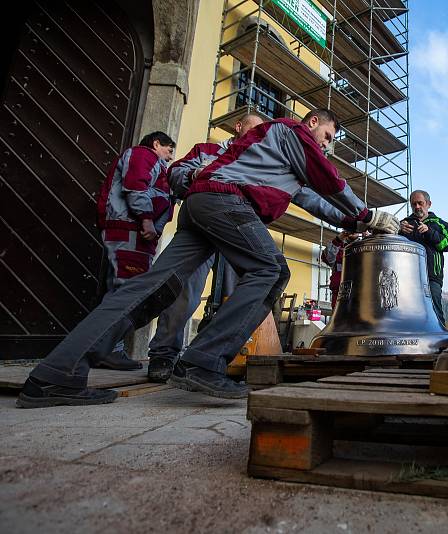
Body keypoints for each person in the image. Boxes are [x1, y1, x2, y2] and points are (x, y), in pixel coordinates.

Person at [17, 108, 400, 408]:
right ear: (313, 122)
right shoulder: (290, 132)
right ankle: (203, 361)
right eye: (328, 136)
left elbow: (314, 199)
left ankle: (56, 373)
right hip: (223, 202)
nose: (327, 145)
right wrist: (368, 214)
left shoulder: (281, 163)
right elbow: (328, 178)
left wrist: (355, 222)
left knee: (153, 287)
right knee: (269, 269)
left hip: (206, 207)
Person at [146, 113, 264, 382]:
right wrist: (194, 173)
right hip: (202, 229)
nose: (258, 134)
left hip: (237, 232)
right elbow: (173, 174)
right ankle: (164, 352)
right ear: (238, 127)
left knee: (235, 296)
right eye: (253, 128)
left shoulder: (258, 164)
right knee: (184, 292)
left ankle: (213, 359)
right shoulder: (206, 150)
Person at [93, 131, 175, 370]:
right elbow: (135, 185)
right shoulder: (143, 154)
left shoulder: (155, 164)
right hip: (131, 229)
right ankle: (107, 349)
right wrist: (147, 219)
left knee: (124, 287)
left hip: (136, 232)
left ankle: (105, 348)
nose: (170, 158)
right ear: (156, 143)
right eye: (169, 151)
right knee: (126, 290)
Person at [399, 190, 448, 325]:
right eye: (414, 204)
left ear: (429, 204)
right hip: (408, 277)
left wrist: (430, 232)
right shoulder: (405, 224)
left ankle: (442, 342)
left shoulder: (441, 224)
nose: (417, 207)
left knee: (435, 311)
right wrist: (399, 231)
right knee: (409, 312)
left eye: (420, 203)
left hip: (432, 276)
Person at [321, 231, 363, 309]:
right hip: (340, 294)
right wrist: (338, 239)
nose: (353, 230)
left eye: (356, 229)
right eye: (351, 228)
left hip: (360, 293)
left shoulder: (365, 246)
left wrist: (368, 238)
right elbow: (327, 258)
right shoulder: (338, 246)